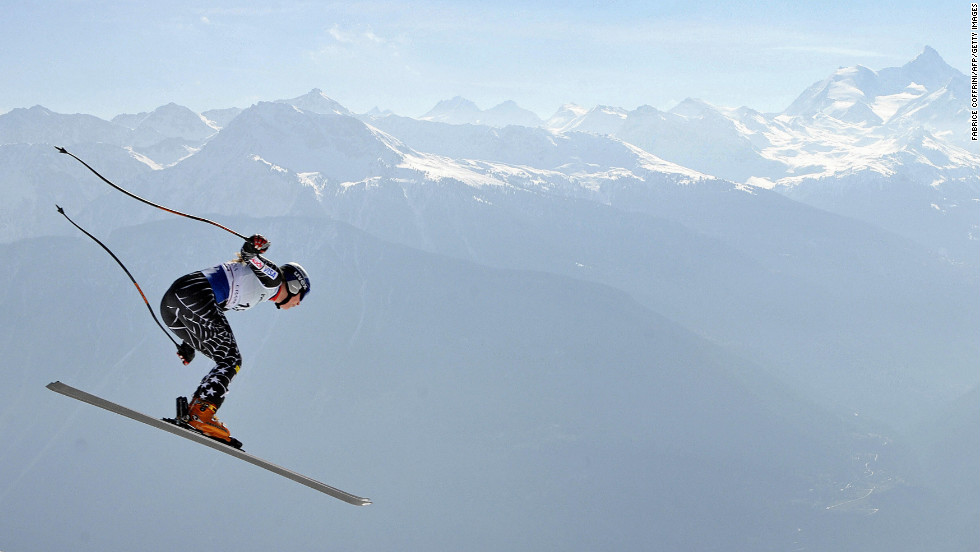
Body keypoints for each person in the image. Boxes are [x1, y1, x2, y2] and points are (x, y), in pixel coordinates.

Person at [159, 234, 310, 442]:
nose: (299, 303)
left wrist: (189, 343)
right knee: (231, 359)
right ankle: (200, 415)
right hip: (195, 295)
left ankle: (196, 413)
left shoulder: (261, 291)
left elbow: (212, 316)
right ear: (294, 285)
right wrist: (254, 247)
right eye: (302, 295)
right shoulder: (274, 279)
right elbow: (250, 255)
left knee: (225, 356)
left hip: (173, 304)